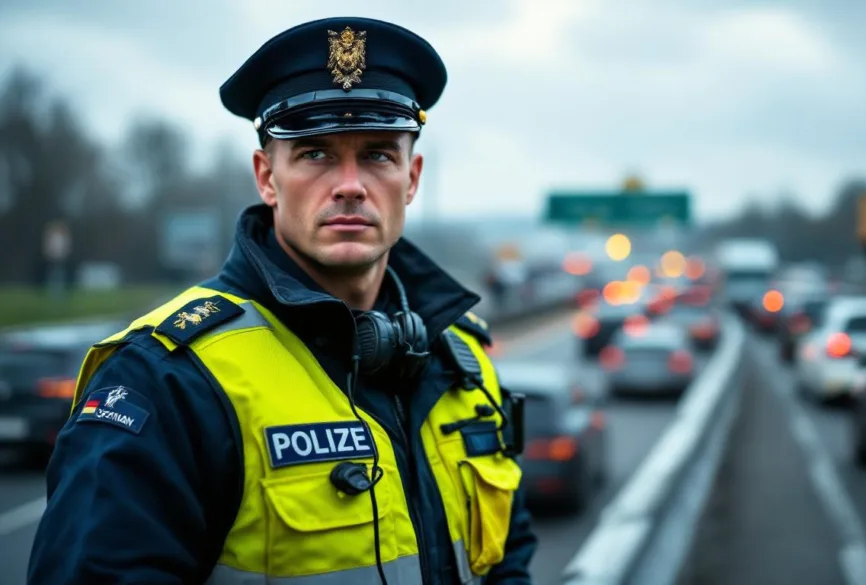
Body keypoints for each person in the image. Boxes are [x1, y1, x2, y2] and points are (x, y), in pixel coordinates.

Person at [28, 17, 536, 585]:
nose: (350, 184)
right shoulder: (166, 379)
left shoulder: (461, 357)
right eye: (315, 154)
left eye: (378, 155)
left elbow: (507, 560)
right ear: (267, 177)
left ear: (411, 179)